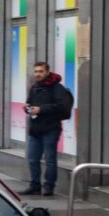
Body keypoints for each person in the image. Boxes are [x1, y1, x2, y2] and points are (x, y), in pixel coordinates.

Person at [24, 60, 74, 196]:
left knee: (50, 159)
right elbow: (30, 103)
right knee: (33, 159)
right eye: (36, 71)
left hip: (51, 128)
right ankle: (35, 185)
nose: (38, 74)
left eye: (41, 71)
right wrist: (27, 107)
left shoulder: (56, 88)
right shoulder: (34, 87)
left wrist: (40, 109)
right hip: (35, 129)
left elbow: (60, 106)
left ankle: (49, 186)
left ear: (47, 72)